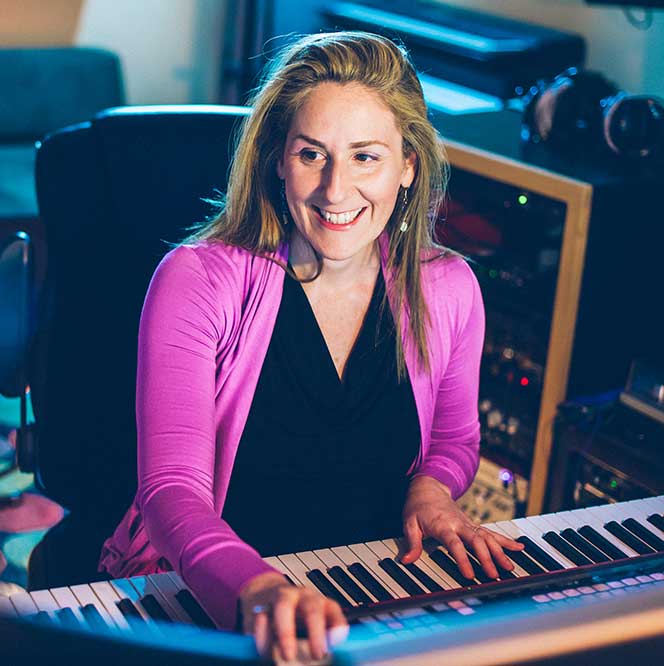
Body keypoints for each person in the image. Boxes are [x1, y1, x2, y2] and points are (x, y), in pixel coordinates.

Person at [98, 31, 524, 661]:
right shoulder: (195, 280)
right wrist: (258, 589)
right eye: (312, 155)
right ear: (277, 158)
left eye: (365, 157)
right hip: (214, 597)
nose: (334, 190)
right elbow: (171, 491)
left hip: (374, 588)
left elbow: (453, 444)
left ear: (408, 165)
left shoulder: (450, 287)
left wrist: (431, 488)